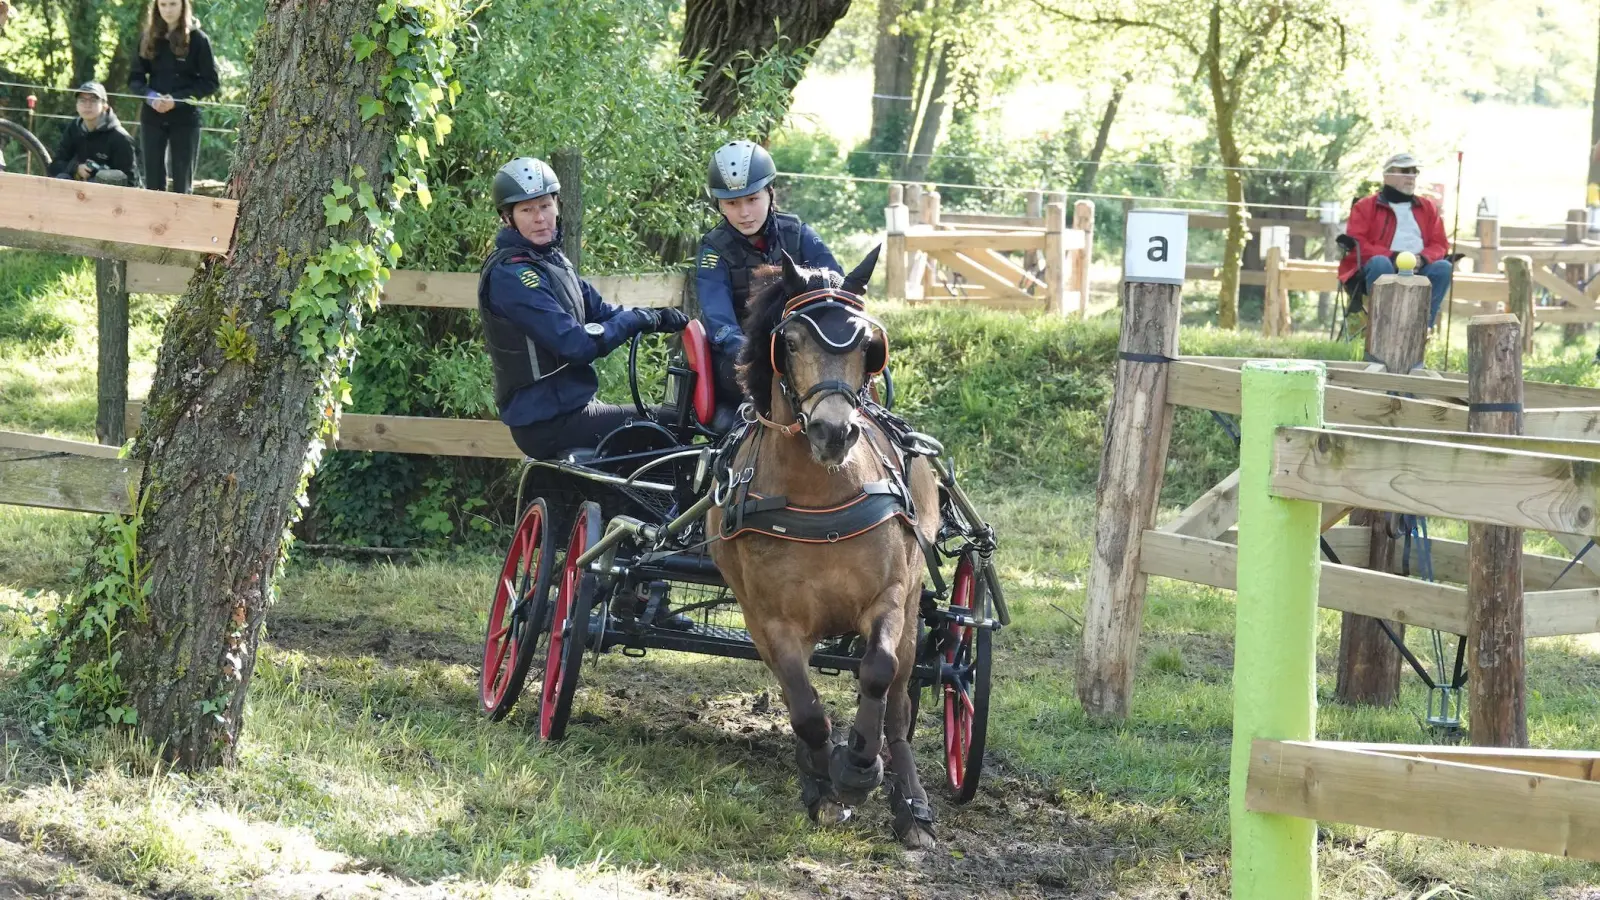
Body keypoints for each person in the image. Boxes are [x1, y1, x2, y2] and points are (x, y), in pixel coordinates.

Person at [479, 157, 690, 460]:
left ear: (557, 206)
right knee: (670, 426)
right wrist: (635, 320)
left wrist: (656, 317)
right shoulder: (513, 275)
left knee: (673, 421)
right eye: (527, 210)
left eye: (545, 206)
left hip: (568, 407)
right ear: (507, 218)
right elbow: (575, 345)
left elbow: (602, 311)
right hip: (548, 422)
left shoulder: (551, 260)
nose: (540, 218)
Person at [695, 140, 841, 416]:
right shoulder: (713, 250)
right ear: (719, 205)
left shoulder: (798, 234)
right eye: (732, 203)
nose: (745, 212)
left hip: (806, 351)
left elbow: (838, 288)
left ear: (770, 193)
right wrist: (761, 354)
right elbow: (720, 323)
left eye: (753, 199)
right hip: (743, 359)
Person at [1337, 152, 1453, 327]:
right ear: (1387, 175)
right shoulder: (1365, 206)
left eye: (1414, 172)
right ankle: (1382, 329)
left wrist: (1422, 259)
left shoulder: (1428, 207)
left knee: (1444, 267)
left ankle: (1420, 329)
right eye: (1405, 171)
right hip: (1381, 267)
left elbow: (1440, 244)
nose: (1411, 177)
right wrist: (1393, 257)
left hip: (1420, 267)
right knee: (1380, 263)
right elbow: (1358, 243)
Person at [129, 0, 217, 193]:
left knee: (182, 185)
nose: (168, 10)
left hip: (185, 117)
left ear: (183, 6)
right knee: (153, 183)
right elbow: (135, 79)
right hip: (152, 116)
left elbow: (210, 82)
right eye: (163, 5)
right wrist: (151, 97)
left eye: (173, 4)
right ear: (156, 7)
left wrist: (176, 100)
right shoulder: (147, 37)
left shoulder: (198, 39)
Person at [46, 82, 139, 186]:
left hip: (110, 195)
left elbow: (131, 181)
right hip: (78, 190)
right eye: (82, 100)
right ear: (76, 106)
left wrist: (102, 176)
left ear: (105, 106)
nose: (87, 105)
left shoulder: (120, 138)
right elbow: (55, 165)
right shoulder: (73, 128)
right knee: (61, 179)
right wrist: (76, 169)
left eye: (93, 100)